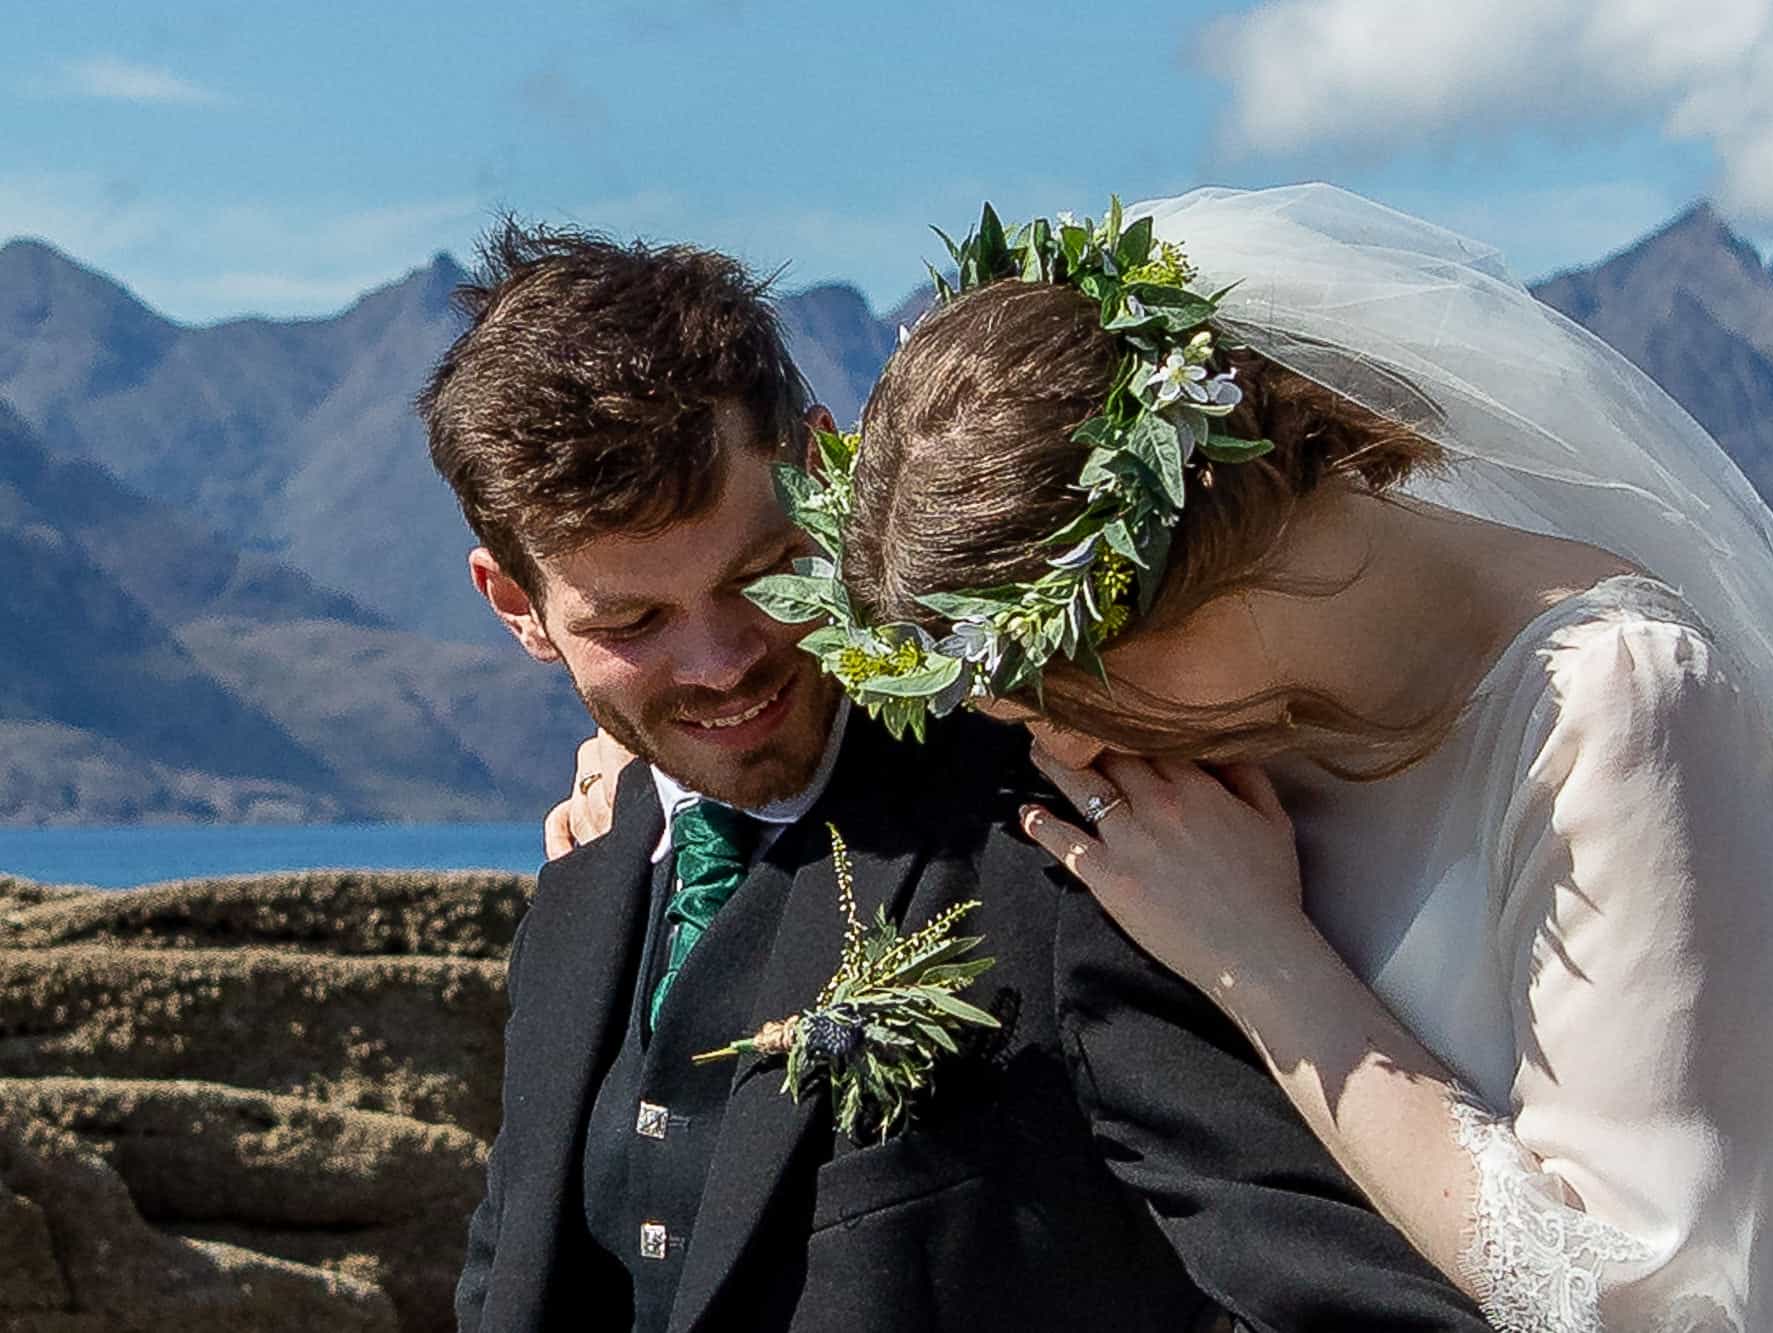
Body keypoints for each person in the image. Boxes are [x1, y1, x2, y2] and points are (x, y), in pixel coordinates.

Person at [555, 185, 1773, 1331]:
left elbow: (1654, 1305)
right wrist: (663, 812)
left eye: (1066, 683)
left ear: (1217, 562)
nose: (1059, 742)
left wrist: (1261, 959)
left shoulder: (1619, 707)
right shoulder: (1220, 696)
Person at [420, 220, 1491, 1333]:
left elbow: (1353, 1303)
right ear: (517, 607)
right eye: (635, 621)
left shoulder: (1064, 835)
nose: (725, 661)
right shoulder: (584, 877)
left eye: (765, 572)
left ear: (826, 469)